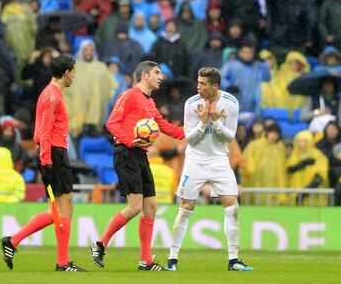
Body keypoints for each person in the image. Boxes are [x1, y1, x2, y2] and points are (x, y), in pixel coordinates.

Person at [89, 61, 184, 271]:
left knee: (151, 207)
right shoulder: (129, 95)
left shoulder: (150, 102)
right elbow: (112, 123)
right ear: (144, 75)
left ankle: (146, 260)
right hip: (126, 153)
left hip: (140, 155)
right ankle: (100, 244)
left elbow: (164, 126)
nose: (161, 77)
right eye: (157, 73)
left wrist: (191, 133)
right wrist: (131, 141)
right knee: (135, 207)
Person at [0, 55, 87, 272]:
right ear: (67, 72)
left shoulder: (51, 93)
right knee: (65, 206)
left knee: (57, 209)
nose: (74, 76)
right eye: (74, 72)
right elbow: (45, 132)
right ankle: (62, 262)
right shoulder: (53, 97)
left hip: (53, 153)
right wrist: (47, 162)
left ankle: (13, 240)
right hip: (54, 154)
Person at [165, 67, 253, 272]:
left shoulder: (231, 103)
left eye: (203, 84)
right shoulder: (191, 104)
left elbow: (229, 137)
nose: (198, 87)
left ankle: (233, 260)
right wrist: (204, 123)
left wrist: (215, 120)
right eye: (198, 82)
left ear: (215, 86)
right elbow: (190, 139)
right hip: (195, 160)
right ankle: (172, 259)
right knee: (186, 206)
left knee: (232, 205)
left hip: (220, 160)